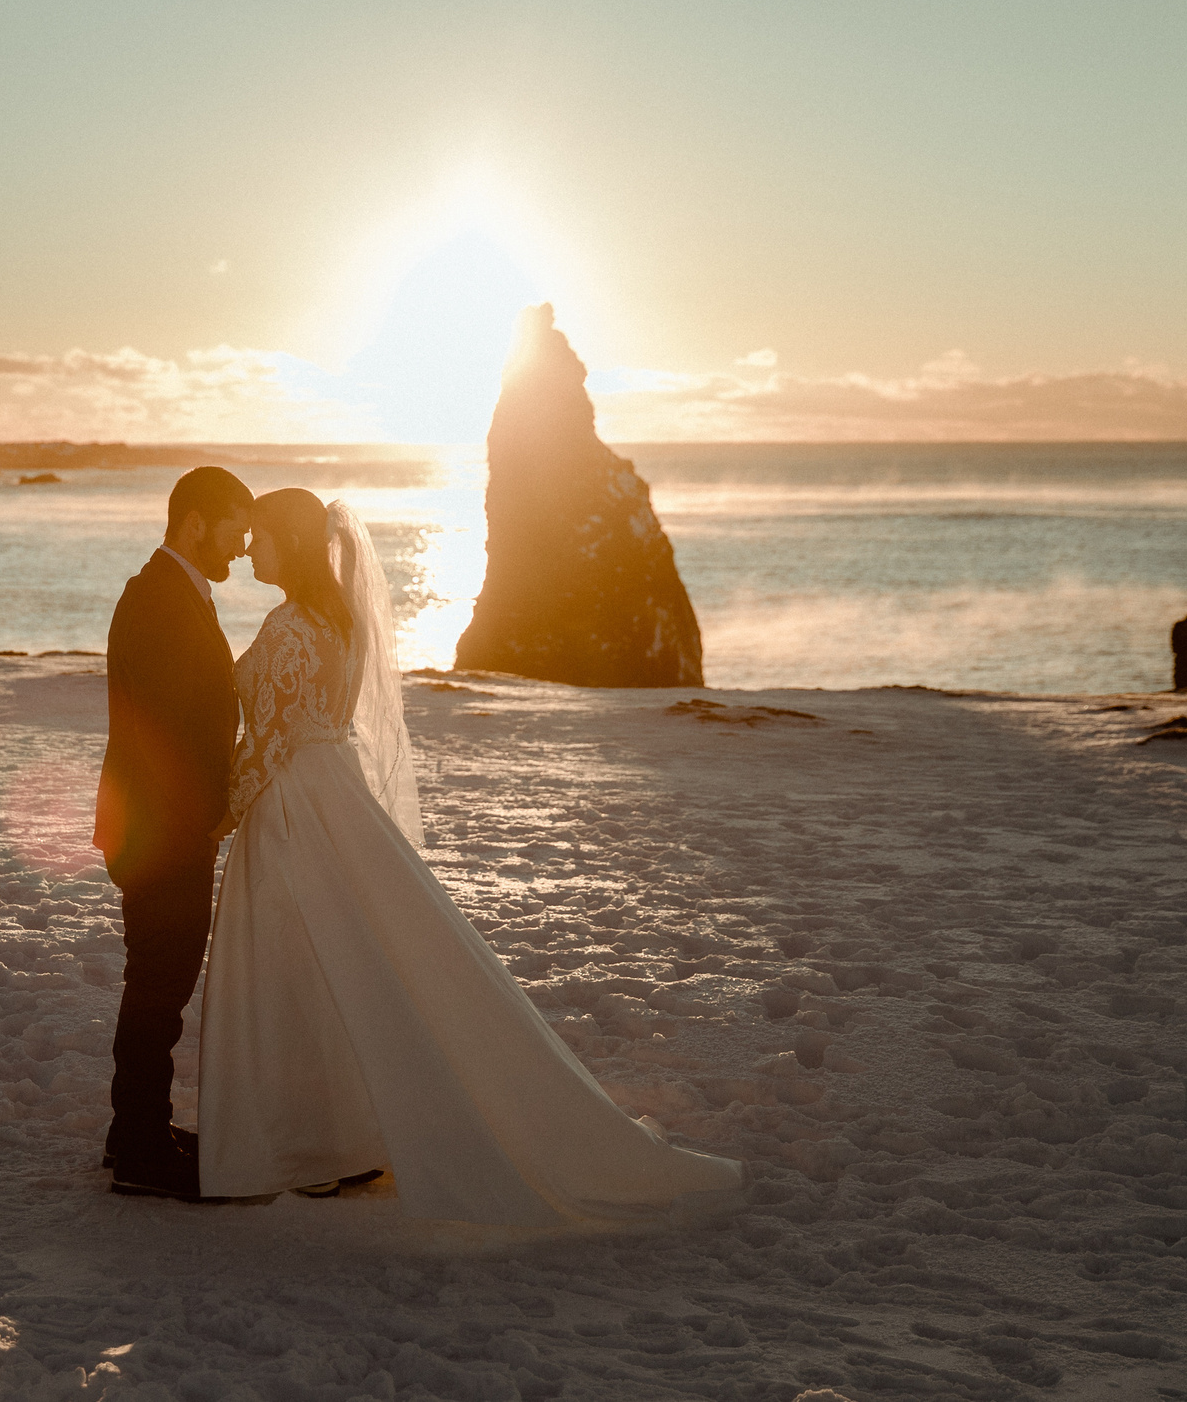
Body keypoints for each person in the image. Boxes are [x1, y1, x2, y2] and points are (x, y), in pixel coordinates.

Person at [196, 488, 746, 1225]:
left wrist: (222, 814)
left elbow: (271, 740)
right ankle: (339, 1140)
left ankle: (304, 1146)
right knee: (343, 962)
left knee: (291, 964)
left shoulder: (289, 627)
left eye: (261, 536)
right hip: (337, 794)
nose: (252, 548)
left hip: (294, 806)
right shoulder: (340, 622)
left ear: (290, 543)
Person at [93, 465, 253, 1200]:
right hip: (162, 832)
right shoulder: (158, 597)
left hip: (165, 828)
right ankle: (140, 1153)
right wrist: (210, 810)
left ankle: (135, 1131)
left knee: (159, 983)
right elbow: (163, 734)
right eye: (235, 525)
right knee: (158, 987)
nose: (244, 543)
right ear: (195, 520)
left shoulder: (175, 592)